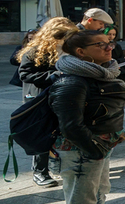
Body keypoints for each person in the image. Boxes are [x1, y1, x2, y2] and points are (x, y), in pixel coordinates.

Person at [49, 29, 125, 204]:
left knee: (99, 192)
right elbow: (70, 126)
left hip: (99, 146)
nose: (109, 48)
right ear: (81, 52)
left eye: (110, 43)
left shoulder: (101, 73)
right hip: (81, 150)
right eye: (101, 45)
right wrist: (94, 149)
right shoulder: (72, 80)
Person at [16, 17, 79, 187]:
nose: (66, 39)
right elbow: (25, 74)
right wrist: (51, 76)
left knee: (63, 132)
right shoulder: (36, 50)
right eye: (63, 35)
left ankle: (61, 166)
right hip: (41, 98)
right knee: (44, 133)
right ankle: (40, 171)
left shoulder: (70, 48)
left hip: (64, 95)